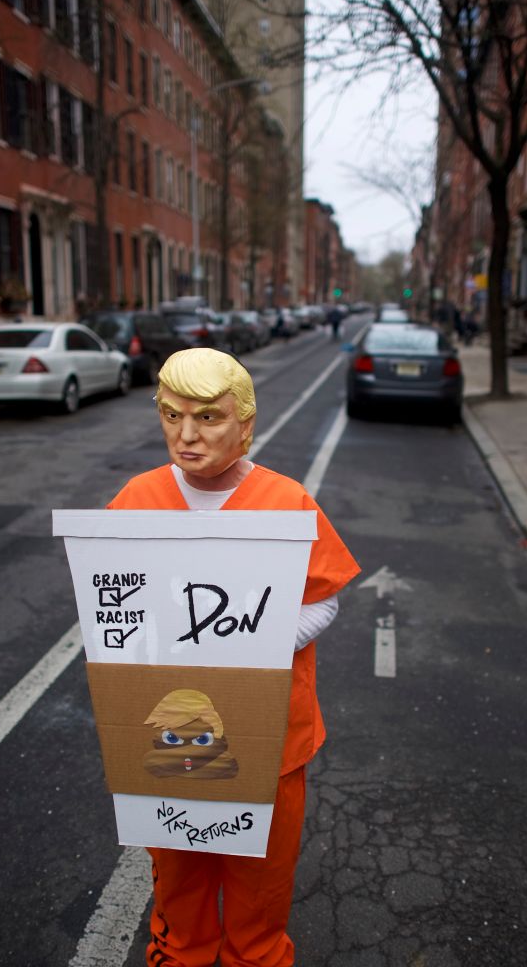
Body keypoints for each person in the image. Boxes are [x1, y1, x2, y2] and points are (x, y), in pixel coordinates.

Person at [106, 348, 360, 967]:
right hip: (168, 739)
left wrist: (245, 646)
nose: (186, 435)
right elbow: (111, 603)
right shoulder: (137, 499)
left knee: (260, 886)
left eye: (208, 418)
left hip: (271, 736)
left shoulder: (287, 501)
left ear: (245, 424)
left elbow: (322, 602)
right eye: (171, 415)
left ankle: (257, 959)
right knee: (179, 878)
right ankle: (183, 956)